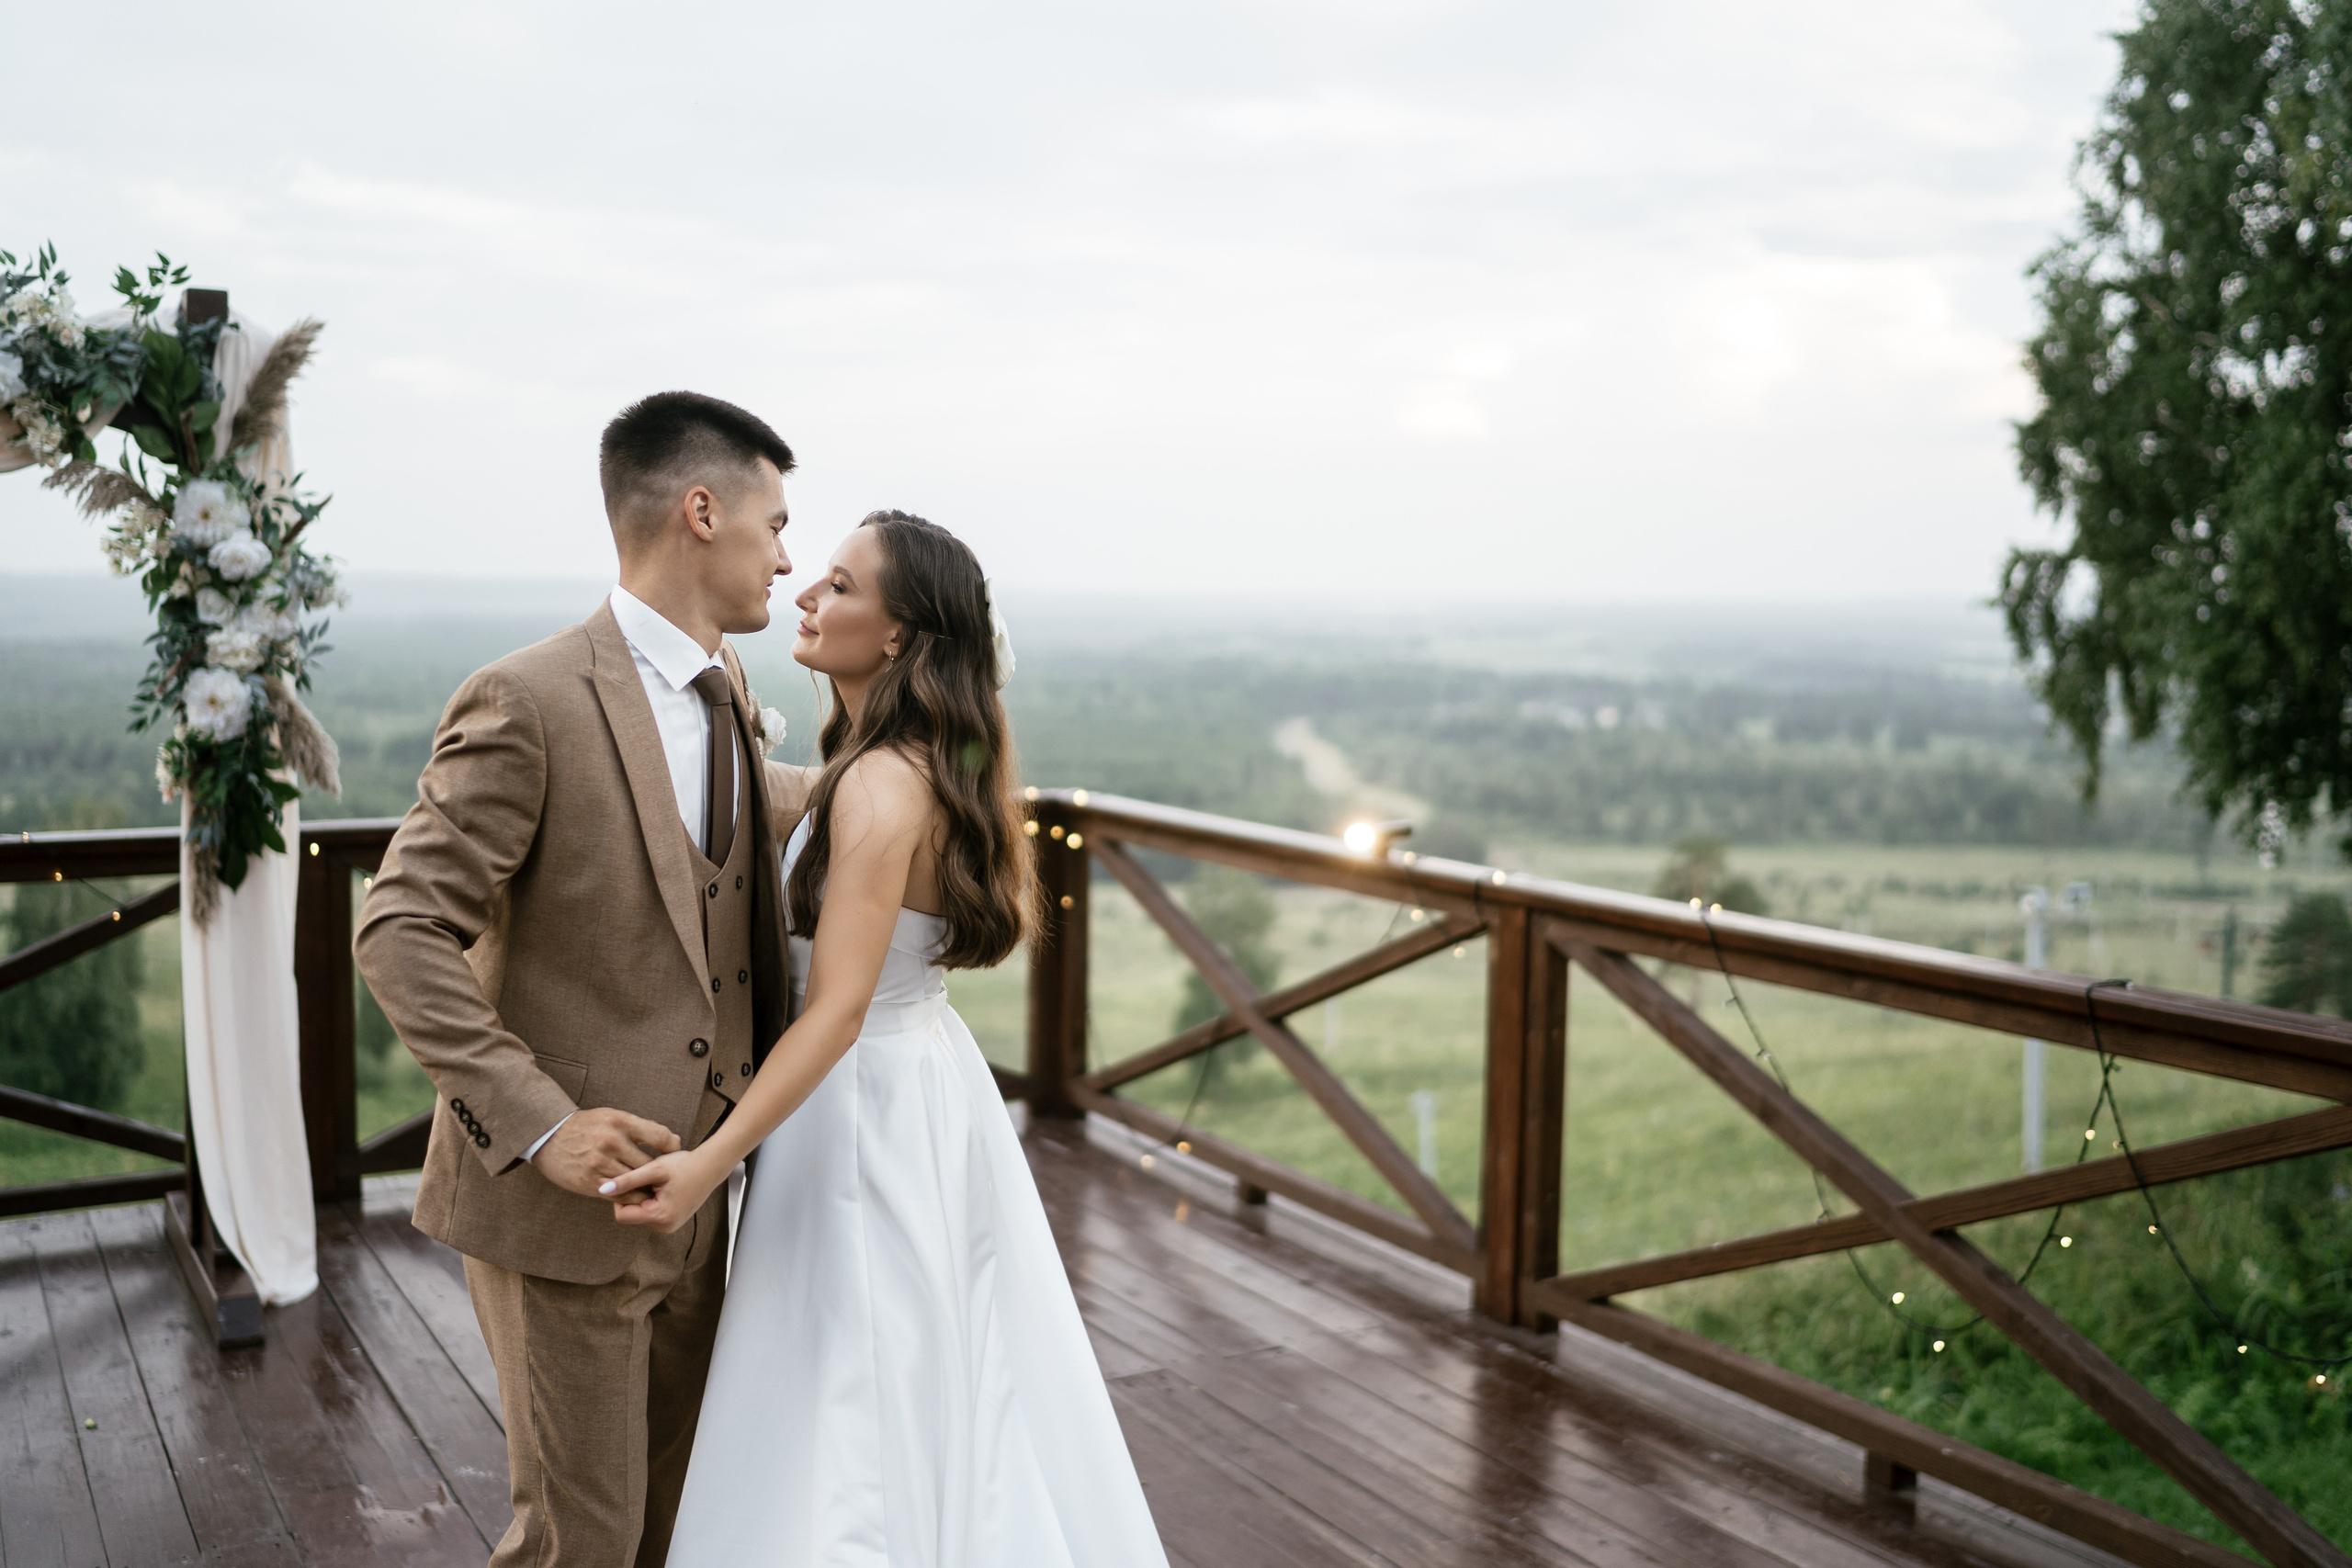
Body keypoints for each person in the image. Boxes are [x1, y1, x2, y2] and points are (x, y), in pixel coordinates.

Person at [605, 511, 1169, 1566]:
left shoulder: (877, 783)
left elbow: (837, 1009)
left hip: (860, 1105)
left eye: (838, 584)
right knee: (921, 1365)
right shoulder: (898, 765)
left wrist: (704, 1168)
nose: (806, 596)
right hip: (922, 1084)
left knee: (849, 1379)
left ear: (901, 635)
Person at [354, 390, 803, 1567]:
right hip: (563, 1214)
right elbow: (398, 928)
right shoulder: (531, 700)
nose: (787, 556)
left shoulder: (732, 693)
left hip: (706, 1204)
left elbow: (742, 845)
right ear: (701, 512)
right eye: (775, 523)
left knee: (673, 1532)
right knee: (577, 1546)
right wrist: (541, 1126)